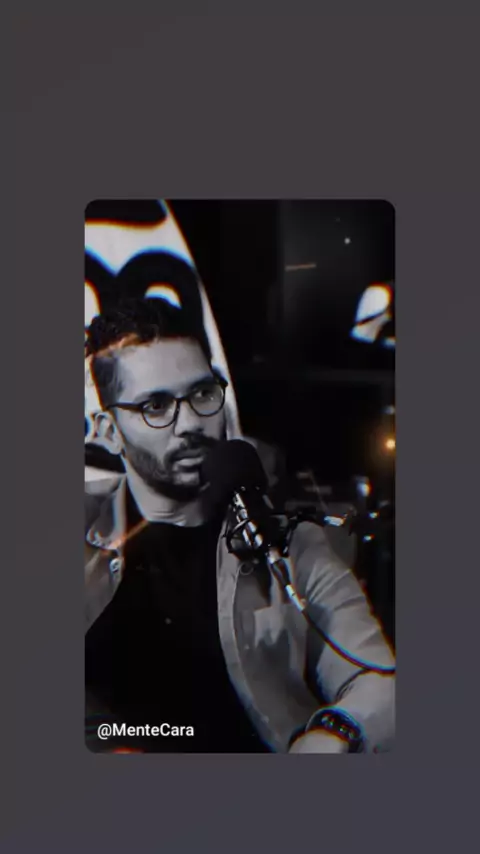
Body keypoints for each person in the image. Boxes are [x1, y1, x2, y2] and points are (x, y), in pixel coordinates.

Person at [84, 297, 395, 754]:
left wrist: (335, 734)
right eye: (156, 405)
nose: (190, 423)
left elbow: (379, 679)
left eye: (202, 394)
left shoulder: (287, 542)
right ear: (109, 431)